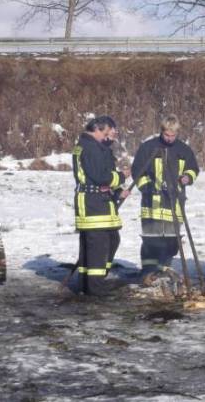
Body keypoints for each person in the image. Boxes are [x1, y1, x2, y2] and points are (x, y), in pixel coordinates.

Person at [131, 114, 199, 277]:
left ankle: (163, 270)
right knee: (150, 240)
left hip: (174, 203)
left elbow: (193, 169)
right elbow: (137, 172)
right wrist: (148, 188)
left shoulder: (184, 150)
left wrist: (187, 177)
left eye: (173, 135)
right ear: (161, 131)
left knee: (171, 241)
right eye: (166, 135)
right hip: (151, 204)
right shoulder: (148, 147)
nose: (169, 138)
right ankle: (147, 272)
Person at [72, 116, 130, 295]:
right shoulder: (90, 148)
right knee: (99, 244)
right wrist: (121, 176)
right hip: (93, 203)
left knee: (107, 240)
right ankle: (95, 286)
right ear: (97, 128)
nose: (108, 135)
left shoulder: (91, 146)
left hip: (98, 199)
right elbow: (100, 176)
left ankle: (86, 282)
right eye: (107, 131)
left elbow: (96, 176)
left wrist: (117, 191)